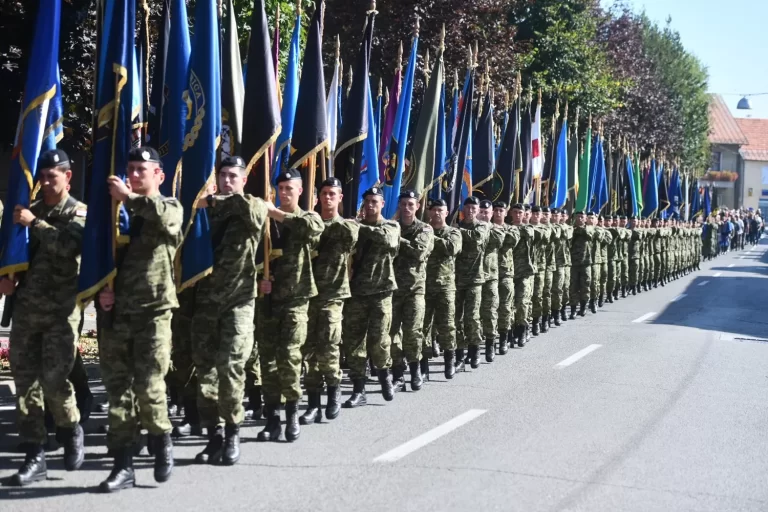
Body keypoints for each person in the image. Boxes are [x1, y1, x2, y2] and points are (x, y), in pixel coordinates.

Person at [97, 146, 183, 492]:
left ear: (158, 175)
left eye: (141, 169)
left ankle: (161, 439)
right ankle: (122, 464)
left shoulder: (170, 207)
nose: (133, 175)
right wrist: (102, 289)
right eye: (130, 168)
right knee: (119, 391)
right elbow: (99, 256)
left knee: (149, 387)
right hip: (118, 311)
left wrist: (128, 197)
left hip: (154, 312)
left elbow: (163, 220)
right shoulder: (115, 211)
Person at [3, 149, 87, 486]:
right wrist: (6, 277)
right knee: (25, 383)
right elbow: (11, 252)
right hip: (25, 308)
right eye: (43, 175)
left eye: (53, 176)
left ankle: (70, 428)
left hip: (61, 311)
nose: (46, 181)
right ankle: (33, 452)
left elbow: (69, 247)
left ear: (68, 177)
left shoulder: (78, 212)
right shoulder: (27, 210)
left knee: (54, 381)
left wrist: (34, 223)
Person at [191, 156, 268, 464]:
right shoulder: (205, 210)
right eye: (222, 175)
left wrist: (211, 200)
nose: (227, 180)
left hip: (239, 301)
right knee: (206, 372)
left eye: (233, 176)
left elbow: (250, 209)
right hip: (206, 301)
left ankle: (233, 431)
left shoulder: (251, 206)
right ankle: (213, 436)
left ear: (244, 180)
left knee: (231, 367)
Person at [257, 170, 323, 443]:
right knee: (268, 362)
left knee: (289, 356)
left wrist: (275, 214)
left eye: (289, 188)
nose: (283, 193)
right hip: (268, 301)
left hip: (296, 299)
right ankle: (272, 418)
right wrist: (259, 279)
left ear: (299, 191)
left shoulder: (308, 217)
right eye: (280, 188)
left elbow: (312, 230)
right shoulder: (264, 220)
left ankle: (292, 413)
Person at [302, 177, 358, 424]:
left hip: (333, 295)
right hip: (308, 295)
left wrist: (322, 220)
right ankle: (313, 402)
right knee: (309, 349)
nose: (327, 198)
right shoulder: (308, 223)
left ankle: (334, 391)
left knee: (329, 346)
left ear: (340, 197)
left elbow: (349, 235)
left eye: (332, 194)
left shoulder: (346, 227)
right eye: (323, 193)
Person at [342, 186, 399, 408]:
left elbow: (387, 241)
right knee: (354, 341)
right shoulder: (355, 228)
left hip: (381, 292)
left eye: (375, 201)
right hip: (356, 292)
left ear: (382, 204)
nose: (371, 205)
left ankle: (385, 377)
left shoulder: (391, 226)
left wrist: (359, 227)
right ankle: (358, 389)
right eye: (367, 202)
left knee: (379, 340)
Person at [390, 189, 433, 391]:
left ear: (417, 206)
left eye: (411, 204)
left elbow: (418, 251)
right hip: (392, 289)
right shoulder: (393, 226)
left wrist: (394, 236)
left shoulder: (425, 229)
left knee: (413, 332)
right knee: (390, 334)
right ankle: (398, 374)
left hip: (414, 289)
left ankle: (415, 371)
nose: (407, 208)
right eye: (403, 204)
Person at [423, 198, 462, 378]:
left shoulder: (453, 232)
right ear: (429, 212)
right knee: (422, 326)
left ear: (446, 213)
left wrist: (430, 237)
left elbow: (451, 248)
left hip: (445, 287)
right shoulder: (423, 230)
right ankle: (422, 364)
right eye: (434, 210)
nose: (437, 213)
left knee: (446, 325)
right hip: (424, 286)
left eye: (441, 210)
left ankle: (449, 361)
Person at [454, 197, 490, 370]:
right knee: (456, 318)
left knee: (472, 317)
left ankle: (474, 350)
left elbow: (477, 239)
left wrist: (456, 231)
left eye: (473, 208)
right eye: (467, 207)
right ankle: (460, 352)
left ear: (477, 210)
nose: (470, 210)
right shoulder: (458, 225)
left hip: (475, 279)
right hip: (457, 279)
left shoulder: (481, 226)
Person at [477, 199, 505, 361]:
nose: (483, 214)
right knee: (473, 313)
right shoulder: (471, 228)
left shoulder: (497, 230)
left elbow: (497, 241)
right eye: (481, 211)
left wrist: (482, 226)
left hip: (490, 277)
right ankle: (473, 343)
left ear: (492, 213)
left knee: (490, 311)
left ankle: (490, 344)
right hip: (472, 277)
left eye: (486, 212)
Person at [492, 201, 519, 353]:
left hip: (505, 273)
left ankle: (504, 338)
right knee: (489, 308)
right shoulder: (485, 228)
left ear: (506, 213)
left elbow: (509, 241)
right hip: (488, 274)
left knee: (505, 307)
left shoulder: (512, 230)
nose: (498, 213)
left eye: (501, 210)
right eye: (495, 210)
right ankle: (490, 337)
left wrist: (494, 230)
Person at [510, 204, 535, 345]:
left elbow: (528, 233)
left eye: (521, 212)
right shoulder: (507, 227)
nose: (518, 215)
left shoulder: (528, 229)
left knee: (522, 302)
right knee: (508, 304)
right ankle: (511, 330)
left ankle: (523, 328)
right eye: (515, 212)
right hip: (508, 271)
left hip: (524, 272)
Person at [569, 211, 594, 318]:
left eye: (581, 217)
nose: (579, 219)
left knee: (585, 286)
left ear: (585, 219)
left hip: (586, 262)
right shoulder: (571, 229)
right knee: (573, 287)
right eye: (578, 216)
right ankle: (573, 309)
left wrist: (580, 228)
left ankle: (583, 308)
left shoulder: (589, 228)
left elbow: (589, 235)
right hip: (573, 262)